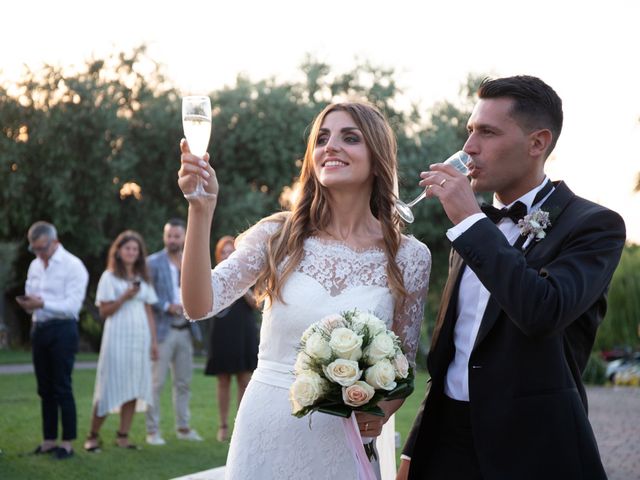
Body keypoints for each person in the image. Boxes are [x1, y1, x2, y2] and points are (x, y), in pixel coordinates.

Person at [178, 101, 431, 479]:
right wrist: (201, 209)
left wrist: (379, 411)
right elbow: (199, 305)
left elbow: (403, 366)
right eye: (322, 138)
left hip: (343, 442)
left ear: (377, 157)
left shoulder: (408, 256)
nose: (331, 146)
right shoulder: (278, 236)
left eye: (350, 138)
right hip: (266, 430)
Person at [398, 75, 626, 480]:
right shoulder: (476, 228)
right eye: (470, 131)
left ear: (537, 143)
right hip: (446, 447)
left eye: (487, 132)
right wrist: (414, 450)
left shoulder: (595, 225)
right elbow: (455, 351)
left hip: (533, 451)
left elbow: (542, 311)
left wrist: (470, 221)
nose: (468, 148)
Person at [16, 221, 89, 460]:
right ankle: (48, 440)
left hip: (63, 330)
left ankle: (67, 442)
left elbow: (72, 306)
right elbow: (31, 293)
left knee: (62, 386)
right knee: (44, 388)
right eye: (34, 249)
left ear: (55, 242)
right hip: (40, 328)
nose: (39, 253)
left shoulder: (73, 266)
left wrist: (43, 303)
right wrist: (29, 304)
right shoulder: (35, 265)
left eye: (42, 248)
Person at [83, 230, 158, 452]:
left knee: (135, 386)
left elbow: (149, 310)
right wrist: (125, 296)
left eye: (135, 249)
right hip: (116, 338)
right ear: (118, 251)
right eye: (127, 248)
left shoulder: (143, 278)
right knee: (109, 385)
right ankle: (93, 435)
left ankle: (123, 436)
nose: (131, 252)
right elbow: (104, 311)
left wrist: (154, 342)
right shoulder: (109, 277)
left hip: (140, 339)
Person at [145, 218, 203, 445]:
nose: (172, 240)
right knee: (156, 383)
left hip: (185, 329)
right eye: (169, 235)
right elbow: (147, 296)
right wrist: (166, 306)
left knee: (183, 383)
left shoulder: (190, 260)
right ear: (164, 237)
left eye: (176, 236)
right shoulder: (153, 262)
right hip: (162, 330)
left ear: (184, 237)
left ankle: (183, 428)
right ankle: (152, 431)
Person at [205, 235, 259, 442]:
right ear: (218, 256)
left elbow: (257, 303)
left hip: (243, 330)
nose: (227, 255)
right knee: (223, 379)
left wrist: (240, 285)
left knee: (244, 379)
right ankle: (223, 426)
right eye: (223, 252)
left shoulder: (248, 275)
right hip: (221, 331)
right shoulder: (214, 277)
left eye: (231, 252)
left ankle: (240, 426)